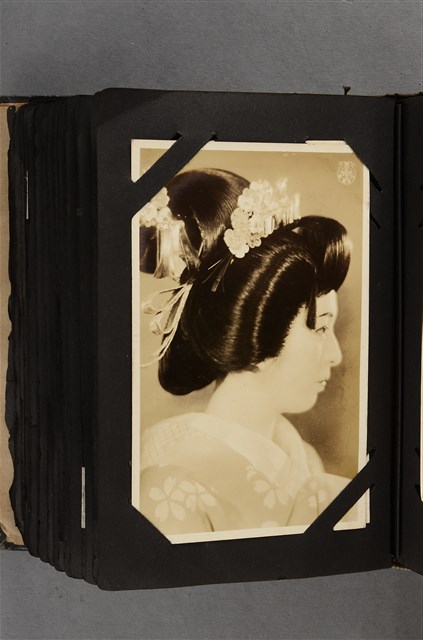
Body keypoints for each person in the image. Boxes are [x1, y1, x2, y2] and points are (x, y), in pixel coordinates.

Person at [137, 167, 354, 537]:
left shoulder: (302, 457)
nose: (335, 355)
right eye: (320, 328)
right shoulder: (169, 479)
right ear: (261, 336)